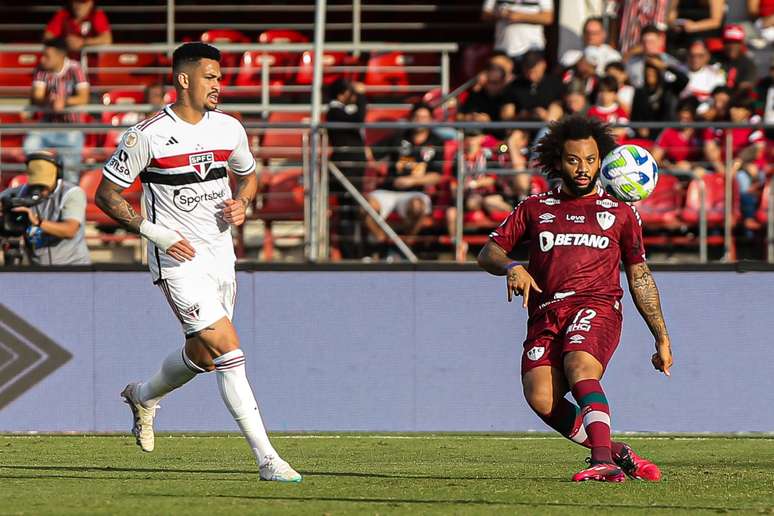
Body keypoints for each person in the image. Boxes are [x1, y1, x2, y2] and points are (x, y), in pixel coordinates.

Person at [94, 42, 301, 483]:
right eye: (210, 77)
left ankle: (143, 395)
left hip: (220, 256)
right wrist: (156, 233)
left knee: (204, 358)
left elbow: (248, 173)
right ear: (183, 79)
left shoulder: (229, 128)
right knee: (230, 350)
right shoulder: (147, 134)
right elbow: (107, 195)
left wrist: (243, 202)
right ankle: (268, 459)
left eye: (220, 77)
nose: (219, 85)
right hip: (176, 261)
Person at [477, 115, 673, 482]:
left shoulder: (620, 212)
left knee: (579, 367)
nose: (583, 169)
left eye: (591, 160)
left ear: (602, 162)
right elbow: (488, 251)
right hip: (547, 313)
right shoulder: (534, 208)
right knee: (541, 399)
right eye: (573, 160)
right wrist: (511, 268)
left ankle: (603, 462)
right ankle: (617, 452)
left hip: (597, 306)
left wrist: (660, 335)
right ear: (558, 161)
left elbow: (639, 276)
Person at [366, 103, 444, 245]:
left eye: (424, 117)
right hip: (388, 189)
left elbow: (437, 176)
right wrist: (373, 168)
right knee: (366, 206)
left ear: (431, 120)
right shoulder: (398, 136)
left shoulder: (437, 142)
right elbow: (371, 152)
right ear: (411, 119)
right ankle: (381, 242)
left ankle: (406, 246)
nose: (420, 120)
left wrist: (412, 181)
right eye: (417, 117)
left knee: (417, 207)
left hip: (415, 193)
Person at [1, 150, 90, 265]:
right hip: (39, 270)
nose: (40, 191)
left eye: (44, 186)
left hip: (73, 268)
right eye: (36, 185)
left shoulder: (72, 193)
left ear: (58, 175)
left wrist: (37, 221)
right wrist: (5, 206)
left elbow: (70, 230)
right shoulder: (22, 192)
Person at [23, 37, 89, 184]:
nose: (43, 59)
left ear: (61, 55)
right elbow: (37, 96)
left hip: (71, 127)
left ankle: (67, 200)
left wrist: (64, 101)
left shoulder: (75, 68)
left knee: (70, 174)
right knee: (30, 146)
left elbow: (84, 98)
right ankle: (40, 186)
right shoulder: (41, 69)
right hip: (47, 124)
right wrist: (50, 100)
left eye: (47, 56)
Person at [326, 78, 371, 258]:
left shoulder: (340, 111)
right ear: (342, 94)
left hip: (353, 167)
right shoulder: (334, 111)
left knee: (354, 210)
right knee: (347, 211)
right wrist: (361, 96)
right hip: (345, 168)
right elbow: (358, 119)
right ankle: (349, 253)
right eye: (350, 93)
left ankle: (358, 251)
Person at [630, 56, 689, 139]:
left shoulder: (669, 88)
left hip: (666, 134)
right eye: (648, 69)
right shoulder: (640, 92)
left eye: (654, 69)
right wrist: (639, 128)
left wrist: (665, 66)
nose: (650, 72)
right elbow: (634, 117)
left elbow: (684, 80)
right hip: (646, 137)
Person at [481, 0, 554, 61]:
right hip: (502, 48)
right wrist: (500, 15)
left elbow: (548, 18)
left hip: (532, 49)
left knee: (528, 78)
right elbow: (485, 14)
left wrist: (521, 16)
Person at [625, 24, 686, 89]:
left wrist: (665, 67)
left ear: (660, 41)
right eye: (645, 42)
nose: (648, 45)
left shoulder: (672, 63)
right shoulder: (632, 63)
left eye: (652, 42)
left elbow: (682, 81)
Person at [43, 0, 113, 56]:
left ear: (91, 3)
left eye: (83, 2)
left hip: (90, 65)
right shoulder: (63, 14)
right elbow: (47, 36)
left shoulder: (96, 14)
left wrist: (83, 42)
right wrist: (65, 41)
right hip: (67, 65)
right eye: (76, 1)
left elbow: (107, 39)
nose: (79, 6)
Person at [718, 24, 758, 92]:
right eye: (728, 42)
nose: (732, 46)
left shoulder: (749, 65)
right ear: (723, 43)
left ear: (742, 44)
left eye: (736, 42)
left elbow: (744, 91)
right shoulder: (715, 59)